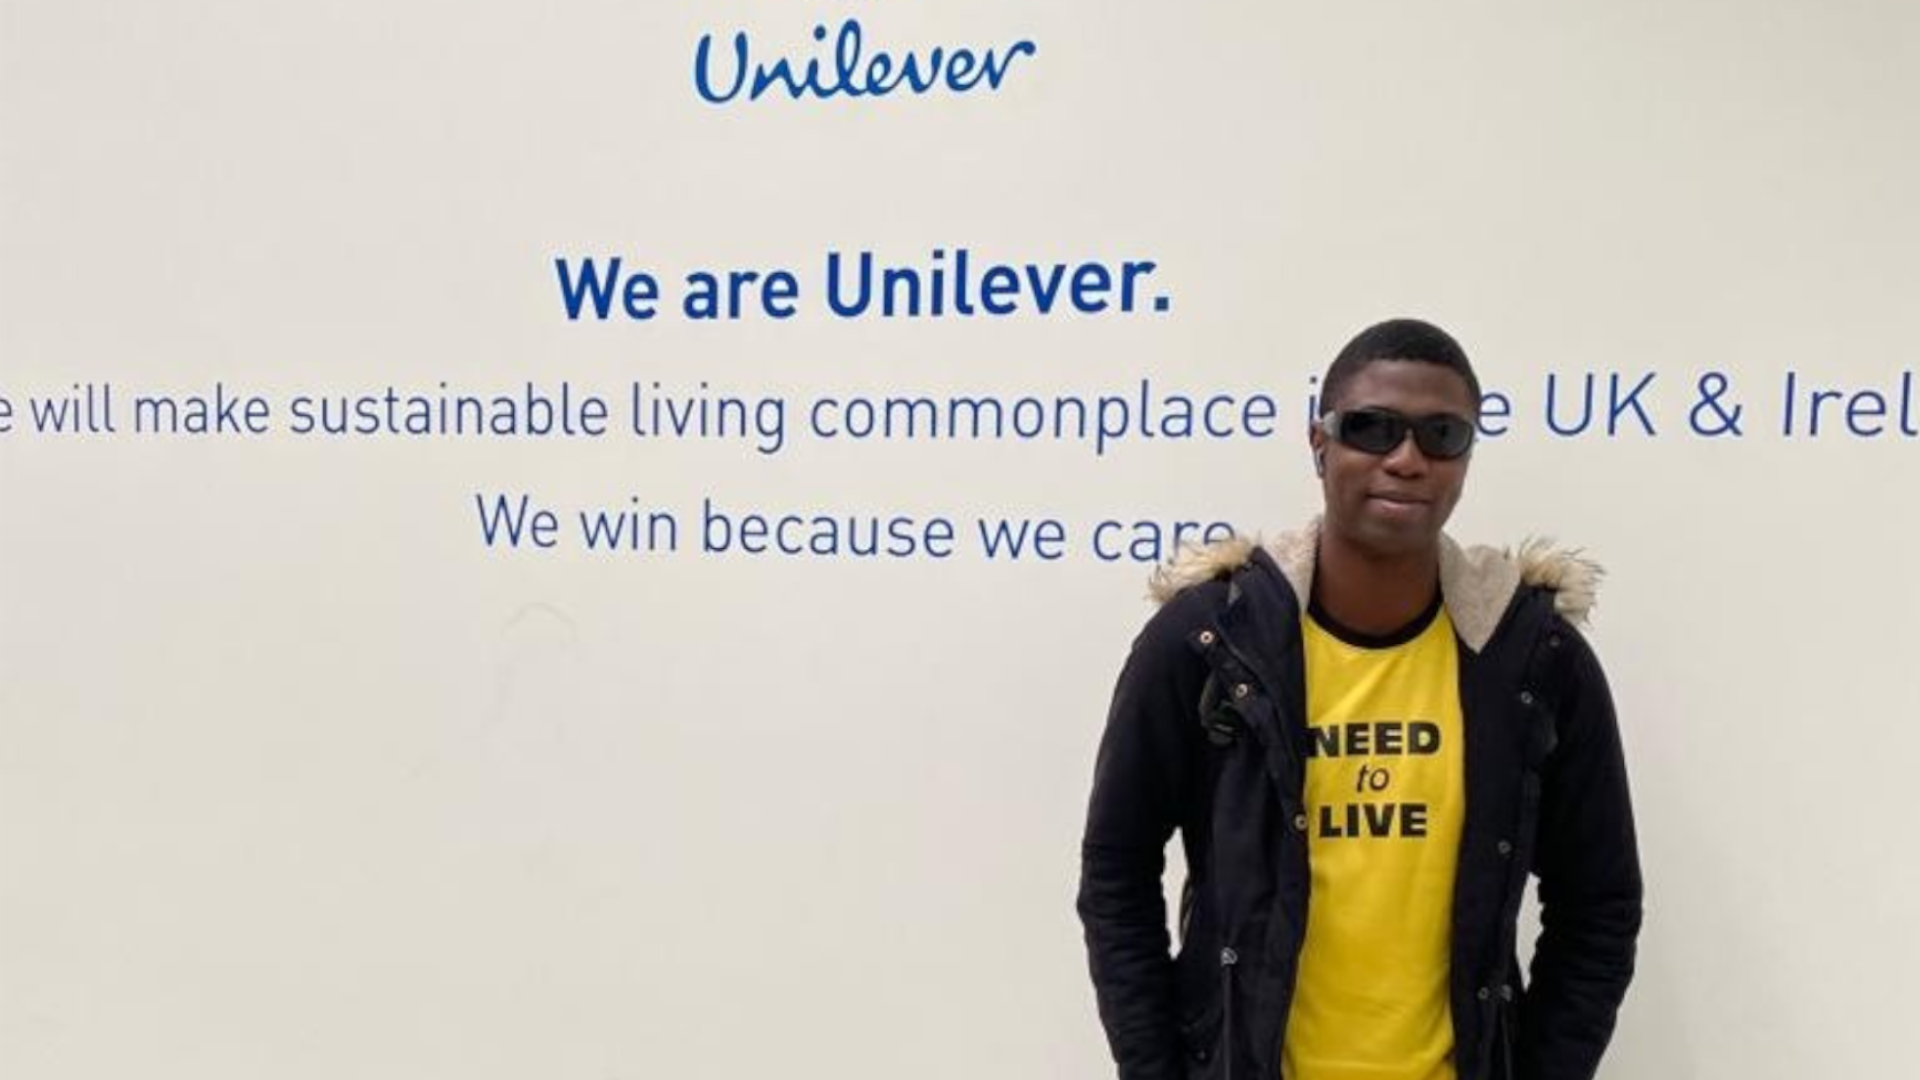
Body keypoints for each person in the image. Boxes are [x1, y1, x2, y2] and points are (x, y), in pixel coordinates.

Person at [1077, 319, 1642, 1080]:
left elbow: (1599, 904)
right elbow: (1117, 872)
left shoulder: (1532, 658)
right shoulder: (1209, 641)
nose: (1406, 459)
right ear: (1320, 445)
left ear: (1467, 458)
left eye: (1442, 434)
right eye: (1372, 429)